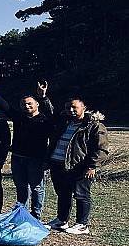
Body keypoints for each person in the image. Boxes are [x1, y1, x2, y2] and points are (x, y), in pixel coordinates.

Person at [0, 81, 54, 219]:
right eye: (23, 104)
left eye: (30, 103)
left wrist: (43, 96)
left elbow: (51, 112)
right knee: (21, 186)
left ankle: (36, 214)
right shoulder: (19, 118)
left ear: (37, 105)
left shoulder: (45, 120)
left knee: (36, 188)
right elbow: (6, 107)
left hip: (36, 159)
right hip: (18, 157)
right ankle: (21, 212)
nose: (26, 106)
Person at [45, 97, 109, 234]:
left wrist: (92, 166)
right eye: (68, 107)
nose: (71, 110)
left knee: (81, 194)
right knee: (63, 193)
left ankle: (82, 224)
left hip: (79, 166)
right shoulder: (64, 122)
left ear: (84, 108)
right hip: (58, 164)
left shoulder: (94, 126)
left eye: (74, 107)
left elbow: (101, 149)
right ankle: (62, 220)